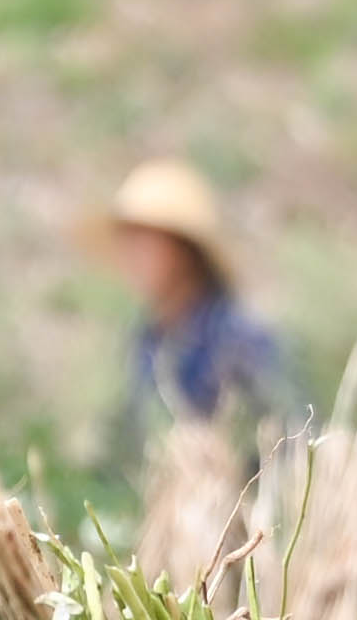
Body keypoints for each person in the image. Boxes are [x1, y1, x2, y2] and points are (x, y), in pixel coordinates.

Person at [78, 154, 296, 445]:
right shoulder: (147, 341)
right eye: (129, 241)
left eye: (146, 242)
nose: (133, 256)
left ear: (184, 249)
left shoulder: (241, 340)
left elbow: (291, 437)